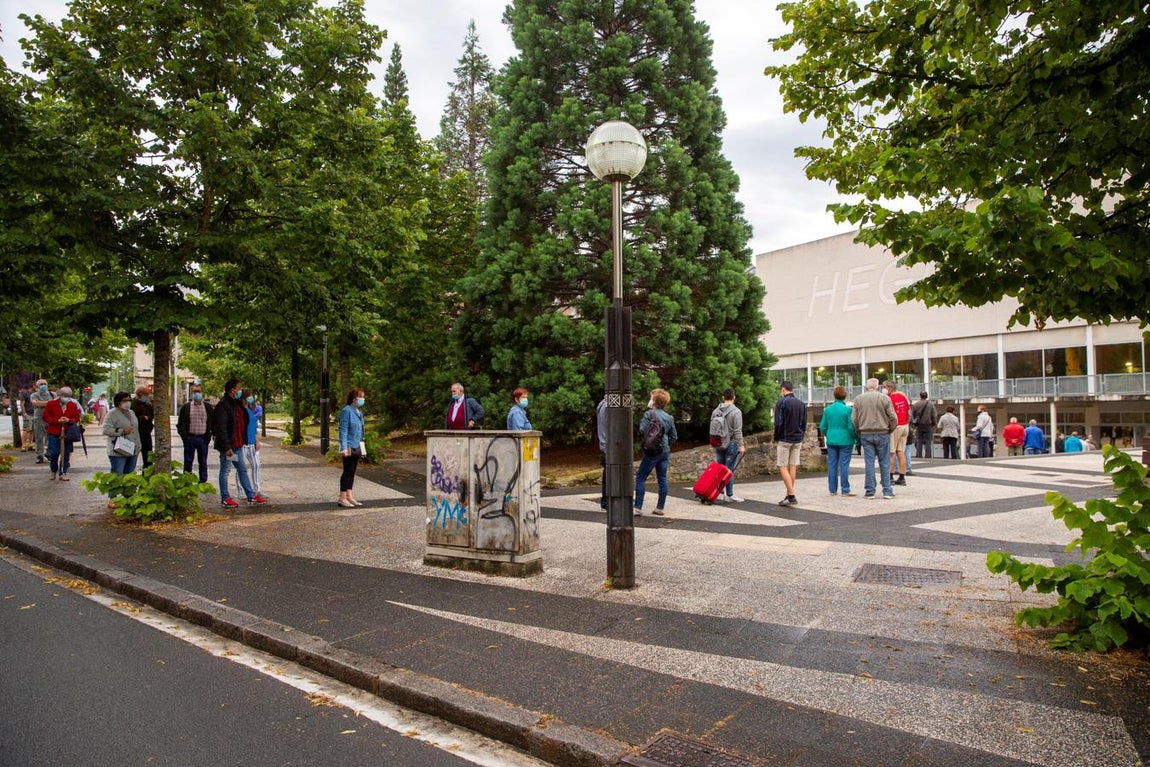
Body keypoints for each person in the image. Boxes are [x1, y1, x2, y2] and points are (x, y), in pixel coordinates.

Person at [212, 378, 267, 507]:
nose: (240, 390)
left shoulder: (236, 404)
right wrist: (226, 447)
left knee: (242, 470)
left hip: (237, 444)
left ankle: (251, 496)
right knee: (225, 470)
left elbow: (243, 422)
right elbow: (221, 427)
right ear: (232, 390)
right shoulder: (223, 405)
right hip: (229, 446)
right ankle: (225, 497)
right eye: (238, 388)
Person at [633, 388, 677, 516]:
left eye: (651, 397)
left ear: (654, 400)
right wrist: (666, 444)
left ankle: (638, 507)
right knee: (662, 479)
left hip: (652, 451)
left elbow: (642, 429)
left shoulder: (649, 414)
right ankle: (660, 508)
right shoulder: (669, 417)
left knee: (641, 477)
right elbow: (674, 436)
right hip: (664, 451)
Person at [851, 378, 897, 499]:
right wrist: (890, 429)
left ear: (866, 387)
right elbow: (893, 417)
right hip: (882, 432)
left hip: (865, 433)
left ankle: (870, 491)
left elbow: (854, 419)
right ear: (878, 387)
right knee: (884, 462)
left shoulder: (858, 399)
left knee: (869, 463)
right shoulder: (885, 398)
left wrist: (859, 431)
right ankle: (887, 490)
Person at [818, 386, 856, 496]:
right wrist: (855, 437)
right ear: (845, 396)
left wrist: (828, 434)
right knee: (844, 465)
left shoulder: (828, 410)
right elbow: (850, 427)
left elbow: (823, 427)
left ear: (834, 395)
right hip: (846, 439)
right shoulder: (848, 410)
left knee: (832, 464)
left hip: (832, 440)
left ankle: (832, 489)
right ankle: (845, 489)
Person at [774, 382, 807, 506]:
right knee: (793, 466)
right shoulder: (801, 403)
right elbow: (804, 423)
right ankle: (789, 494)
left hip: (785, 438)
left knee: (782, 466)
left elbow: (778, 423)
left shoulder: (782, 402)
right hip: (797, 438)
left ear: (783, 389)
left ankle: (791, 495)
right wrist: (801, 436)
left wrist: (777, 436)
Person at [711, 388, 746, 503]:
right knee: (729, 470)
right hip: (731, 443)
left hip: (718, 442)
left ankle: (719, 493)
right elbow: (737, 431)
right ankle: (729, 494)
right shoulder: (736, 412)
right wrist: (741, 445)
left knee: (719, 469)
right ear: (734, 397)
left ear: (723, 397)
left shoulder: (716, 411)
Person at [42, 385, 83, 481]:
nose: (66, 398)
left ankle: (63, 472)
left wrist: (69, 420)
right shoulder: (51, 404)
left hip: (68, 433)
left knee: (66, 453)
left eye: (68, 396)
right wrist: (57, 420)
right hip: (54, 431)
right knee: (54, 452)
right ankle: (53, 470)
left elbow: (76, 417)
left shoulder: (72, 405)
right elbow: (45, 416)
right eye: (64, 395)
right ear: (59, 395)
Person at [177, 384, 214, 482]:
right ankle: (187, 481)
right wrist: (185, 438)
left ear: (202, 393)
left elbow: (213, 422)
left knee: (203, 461)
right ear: (191, 393)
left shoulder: (208, 407)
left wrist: (209, 436)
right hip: (190, 438)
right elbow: (180, 425)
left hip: (203, 439)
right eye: (195, 391)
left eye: (198, 391)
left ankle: (203, 481)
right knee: (188, 461)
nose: (197, 393)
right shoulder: (186, 407)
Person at [337, 388, 366, 508]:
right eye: (361, 397)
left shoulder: (359, 412)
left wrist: (362, 445)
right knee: (347, 471)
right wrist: (343, 447)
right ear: (354, 398)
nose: (362, 400)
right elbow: (343, 430)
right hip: (348, 445)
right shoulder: (346, 411)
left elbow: (361, 430)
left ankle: (349, 495)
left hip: (357, 445)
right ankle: (342, 497)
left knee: (353, 471)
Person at [102, 391, 141, 477]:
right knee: (117, 476)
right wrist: (122, 431)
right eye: (124, 400)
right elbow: (105, 429)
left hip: (132, 449)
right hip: (118, 451)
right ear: (118, 402)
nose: (127, 402)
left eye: (129, 400)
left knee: (129, 477)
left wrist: (138, 447)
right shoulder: (112, 413)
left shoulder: (131, 412)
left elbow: (135, 430)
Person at [883, 381, 911, 484]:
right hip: (905, 426)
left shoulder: (889, 399)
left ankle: (890, 477)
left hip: (896, 427)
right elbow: (908, 411)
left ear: (889, 388)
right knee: (901, 451)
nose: (884, 389)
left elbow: (888, 414)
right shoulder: (903, 397)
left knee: (891, 453)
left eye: (885, 387)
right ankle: (902, 477)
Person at [238, 393, 262, 496]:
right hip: (243, 443)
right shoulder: (240, 411)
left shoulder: (251, 411)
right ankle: (240, 490)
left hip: (252, 443)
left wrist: (257, 440)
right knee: (241, 467)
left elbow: (253, 427)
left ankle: (257, 489)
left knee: (256, 465)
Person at [130, 385, 155, 469]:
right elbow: (132, 418)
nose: (147, 396)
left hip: (146, 433)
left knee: (148, 458)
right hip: (136, 433)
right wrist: (143, 418)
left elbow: (151, 415)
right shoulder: (133, 404)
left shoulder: (146, 404)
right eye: (146, 394)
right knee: (132, 457)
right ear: (140, 394)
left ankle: (147, 475)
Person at [30, 379, 53, 463]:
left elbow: (57, 403)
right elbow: (35, 403)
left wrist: (42, 403)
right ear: (37, 386)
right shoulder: (34, 395)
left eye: (44, 384)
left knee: (51, 437)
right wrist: (49, 403)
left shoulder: (52, 394)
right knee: (39, 437)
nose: (43, 385)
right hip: (39, 418)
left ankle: (49, 453)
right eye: (41, 384)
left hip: (51, 418)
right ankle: (39, 455)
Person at [910, 391, 937, 459]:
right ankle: (928, 455)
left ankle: (918, 455)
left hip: (919, 425)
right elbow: (934, 415)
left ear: (920, 396)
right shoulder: (931, 404)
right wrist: (934, 423)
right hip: (928, 424)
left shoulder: (916, 404)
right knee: (928, 441)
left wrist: (914, 422)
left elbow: (912, 415)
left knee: (919, 440)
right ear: (926, 396)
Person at [596, 396, 608, 510]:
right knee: (609, 475)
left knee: (607, 475)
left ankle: (605, 500)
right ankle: (607, 501)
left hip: (604, 445)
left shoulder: (602, 404)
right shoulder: (609, 406)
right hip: (610, 446)